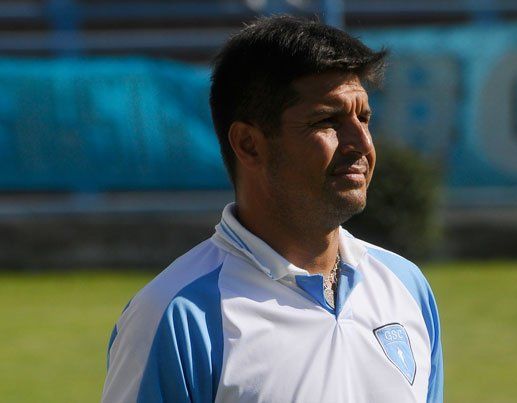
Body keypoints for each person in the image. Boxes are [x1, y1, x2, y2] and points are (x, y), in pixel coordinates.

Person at [102, 16, 443, 403]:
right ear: (249, 144)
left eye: (363, 118)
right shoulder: (177, 314)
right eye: (327, 121)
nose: (361, 143)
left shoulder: (406, 287)